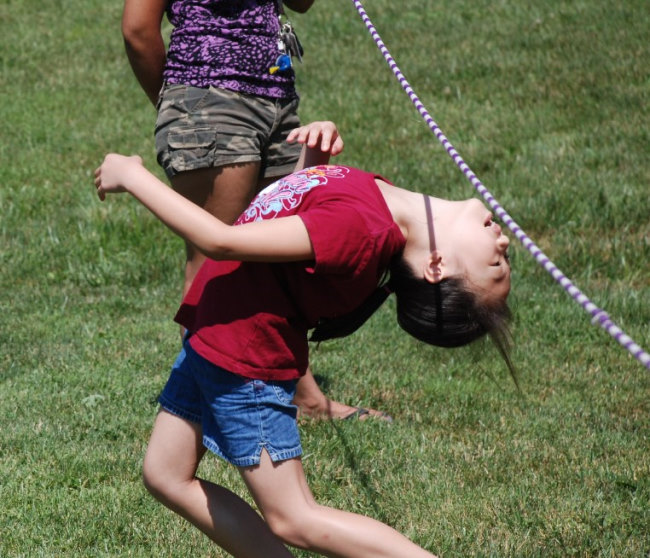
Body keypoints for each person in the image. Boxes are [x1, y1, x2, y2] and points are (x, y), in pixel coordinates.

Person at [94, 121, 512, 557]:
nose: (503, 241)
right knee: (166, 475)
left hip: (242, 358)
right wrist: (313, 164)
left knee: (294, 517)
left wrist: (132, 175)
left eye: (495, 264)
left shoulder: (363, 227)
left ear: (437, 267)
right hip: (214, 333)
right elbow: (290, 217)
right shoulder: (381, 204)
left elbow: (220, 241)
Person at [121, 0, 386, 420]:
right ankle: (196, 416)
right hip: (207, 99)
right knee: (212, 265)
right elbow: (138, 29)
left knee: (276, 259)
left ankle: (305, 398)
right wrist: (182, 99)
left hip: (278, 103)